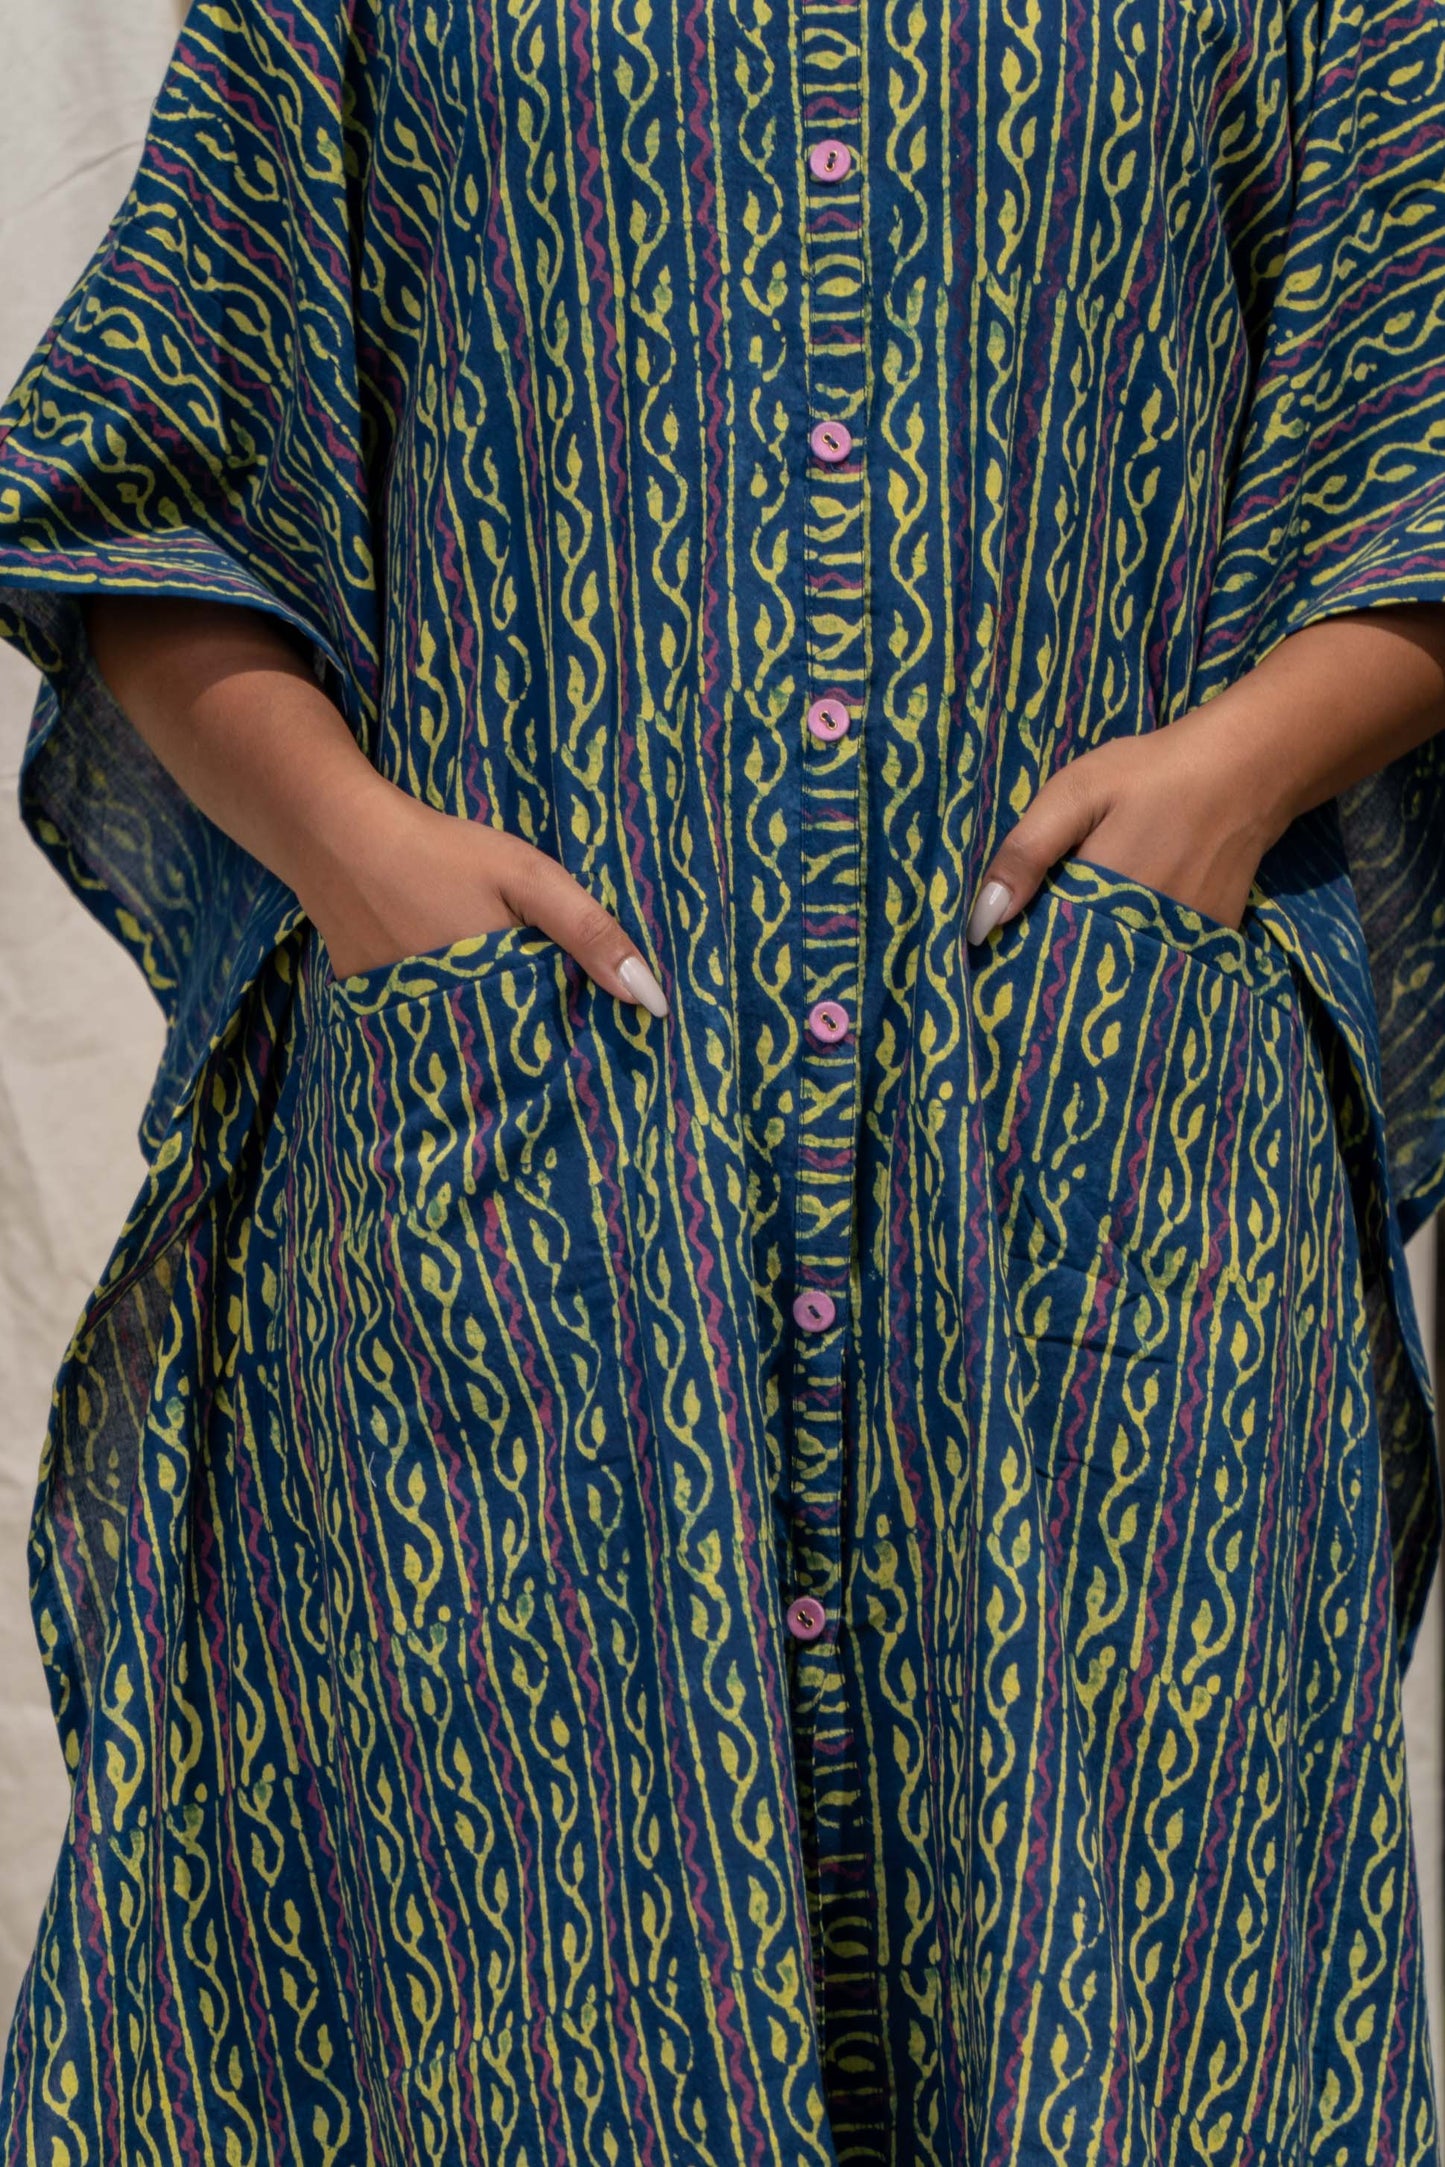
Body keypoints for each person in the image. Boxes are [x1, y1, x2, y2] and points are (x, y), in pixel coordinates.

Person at [0, 0, 1443, 2157]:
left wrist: (1230, 782)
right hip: (525, 1230)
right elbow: (149, 475)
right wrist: (368, 862)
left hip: (1097, 1207)